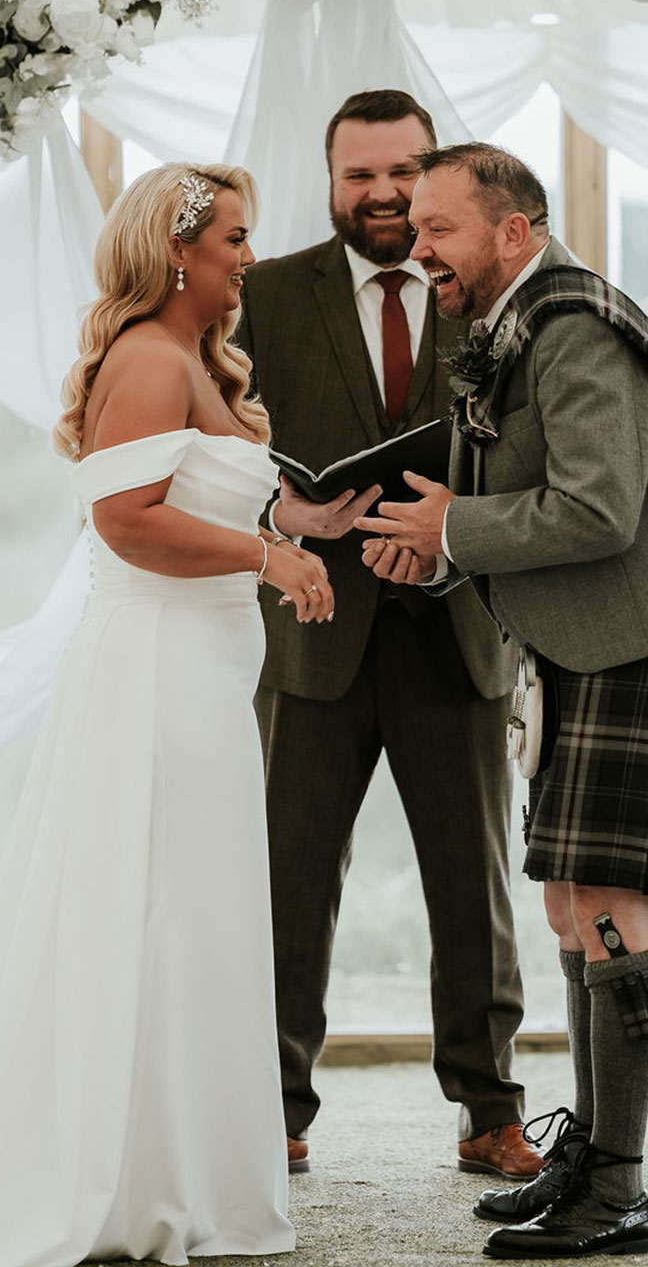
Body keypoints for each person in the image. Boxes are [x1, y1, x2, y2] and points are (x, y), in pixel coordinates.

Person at [0, 162, 334, 1267]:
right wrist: (267, 554)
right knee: (160, 903)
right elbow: (127, 524)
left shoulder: (197, 359)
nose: (249, 255)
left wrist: (303, 515)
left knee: (199, 907)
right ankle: (130, 1179)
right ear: (178, 251)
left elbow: (197, 493)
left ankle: (185, 1166)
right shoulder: (143, 355)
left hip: (207, 664)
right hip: (156, 668)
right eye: (234, 236)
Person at [360, 142, 648, 1260]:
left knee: (610, 912)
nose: (419, 245)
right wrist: (433, 546)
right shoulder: (512, 324)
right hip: (578, 649)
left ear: (516, 230)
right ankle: (590, 1153)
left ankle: (621, 1191)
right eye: (415, 225)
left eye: (440, 228)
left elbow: (596, 509)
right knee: (567, 908)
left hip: (630, 650)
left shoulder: (577, 324)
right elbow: (512, 494)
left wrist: (450, 528)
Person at [234, 92, 542, 1181]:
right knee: (288, 883)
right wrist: (280, 518)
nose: (384, 193)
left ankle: (490, 1110)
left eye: (405, 171)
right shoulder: (265, 294)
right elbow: (219, 453)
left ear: (436, 174)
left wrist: (452, 541)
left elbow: (531, 456)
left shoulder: (494, 294)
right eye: (359, 174)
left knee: (474, 885)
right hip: (313, 633)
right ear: (329, 178)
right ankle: (270, 1111)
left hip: (456, 625)